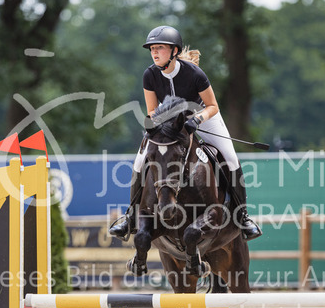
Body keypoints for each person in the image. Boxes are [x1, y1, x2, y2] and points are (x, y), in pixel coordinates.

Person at [108, 25, 262, 241]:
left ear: (174, 51)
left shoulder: (194, 74)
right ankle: (130, 217)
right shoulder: (149, 75)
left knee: (230, 157)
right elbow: (152, 111)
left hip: (203, 116)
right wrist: (156, 125)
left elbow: (213, 106)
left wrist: (196, 120)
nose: (154, 52)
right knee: (140, 161)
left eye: (160, 48)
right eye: (152, 48)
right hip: (167, 123)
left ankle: (242, 216)